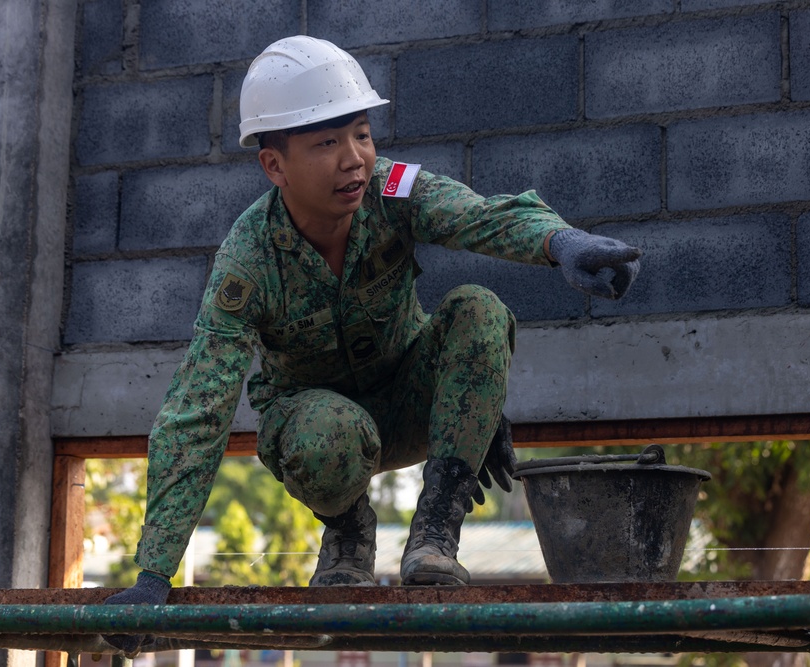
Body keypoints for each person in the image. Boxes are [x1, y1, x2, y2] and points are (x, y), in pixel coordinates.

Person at [102, 35, 641, 654]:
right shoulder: (246, 263)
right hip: (319, 430)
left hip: (408, 395)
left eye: (361, 133)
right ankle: (348, 530)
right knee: (325, 434)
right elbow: (196, 411)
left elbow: (478, 215)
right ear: (274, 165)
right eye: (327, 143)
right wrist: (152, 576)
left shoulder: (393, 191)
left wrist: (562, 243)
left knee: (478, 309)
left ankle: (436, 532)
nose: (354, 159)